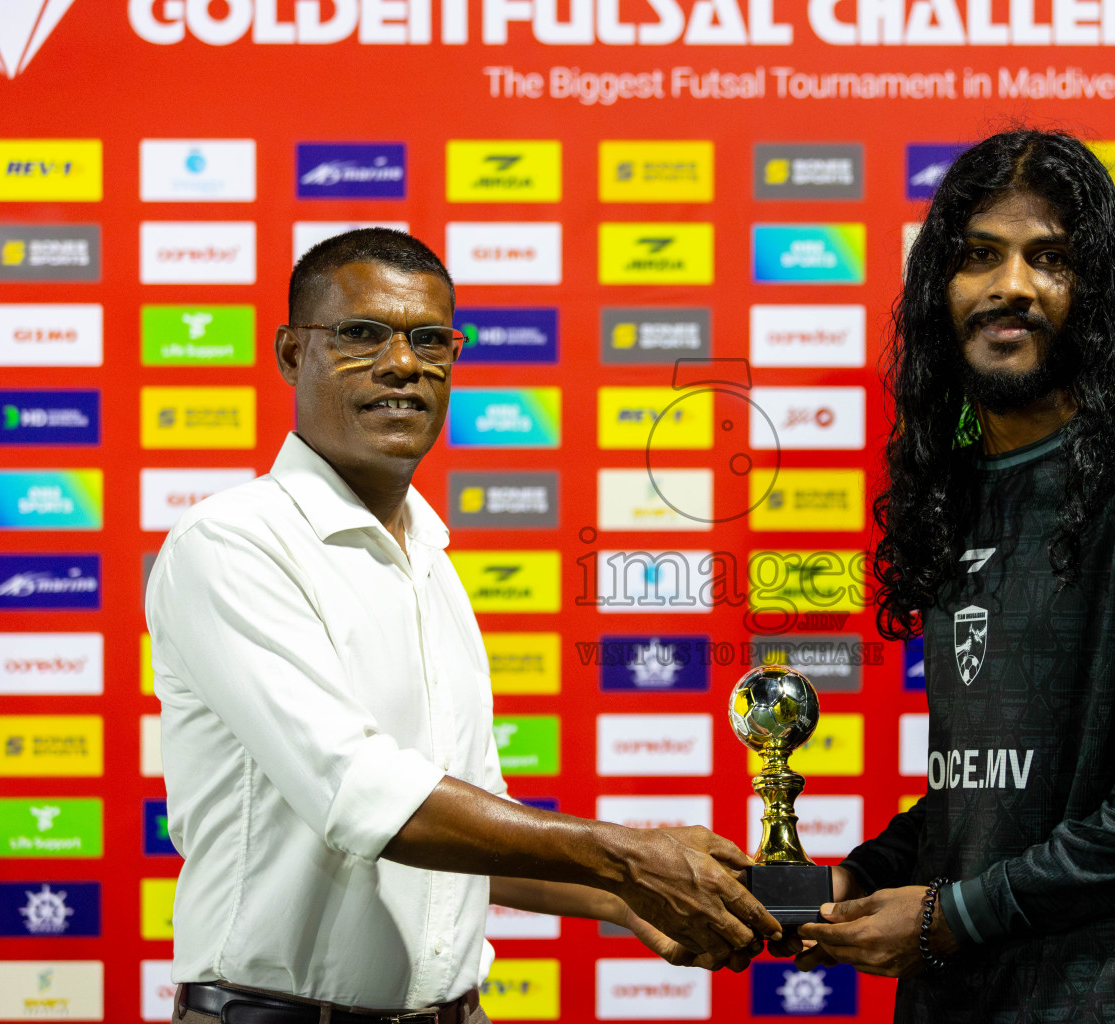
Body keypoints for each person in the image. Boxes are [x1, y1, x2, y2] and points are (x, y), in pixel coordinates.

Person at [146, 228, 779, 1024]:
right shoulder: (232, 543)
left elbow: (469, 834)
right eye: (361, 334)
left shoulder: (429, 558)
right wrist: (625, 857)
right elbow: (366, 798)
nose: (403, 364)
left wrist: (620, 898)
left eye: (431, 340)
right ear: (288, 354)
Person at [791, 130, 1115, 1021]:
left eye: (1051, 259)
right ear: (940, 291)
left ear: (1098, 295)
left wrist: (953, 915)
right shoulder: (951, 498)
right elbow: (990, 790)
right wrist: (859, 877)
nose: (1012, 286)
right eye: (979, 257)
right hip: (952, 1000)